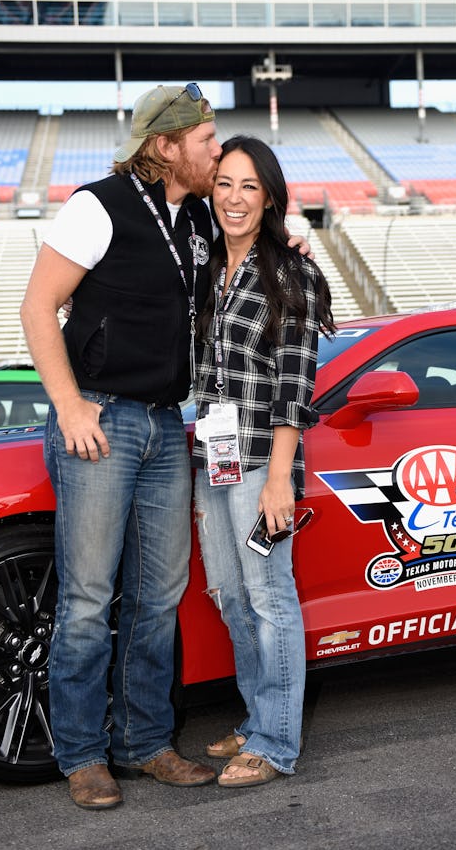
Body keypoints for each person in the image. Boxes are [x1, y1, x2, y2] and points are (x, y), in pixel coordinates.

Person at [20, 84, 311, 811]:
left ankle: (145, 742)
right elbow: (36, 305)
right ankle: (84, 755)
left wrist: (293, 236)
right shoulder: (98, 205)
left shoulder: (196, 223)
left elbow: (261, 253)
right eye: (208, 141)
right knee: (89, 601)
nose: (217, 154)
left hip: (166, 427)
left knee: (158, 599)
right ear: (166, 146)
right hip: (103, 422)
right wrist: (69, 404)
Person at [192, 135, 334, 788]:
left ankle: (276, 742)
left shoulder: (291, 272)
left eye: (249, 185)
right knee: (228, 594)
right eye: (224, 183)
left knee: (269, 595)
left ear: (269, 196)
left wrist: (280, 478)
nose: (235, 197)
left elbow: (294, 383)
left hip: (258, 463)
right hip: (213, 456)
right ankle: (256, 718)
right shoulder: (207, 265)